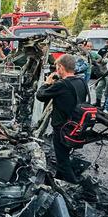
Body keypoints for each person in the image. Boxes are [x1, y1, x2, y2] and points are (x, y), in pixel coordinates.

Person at [36, 54, 88, 183]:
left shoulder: (62, 84)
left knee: (62, 160)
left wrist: (47, 83)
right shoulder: (81, 81)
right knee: (63, 154)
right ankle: (59, 179)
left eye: (57, 67)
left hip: (62, 127)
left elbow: (40, 95)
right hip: (75, 126)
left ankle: (73, 185)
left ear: (61, 67)